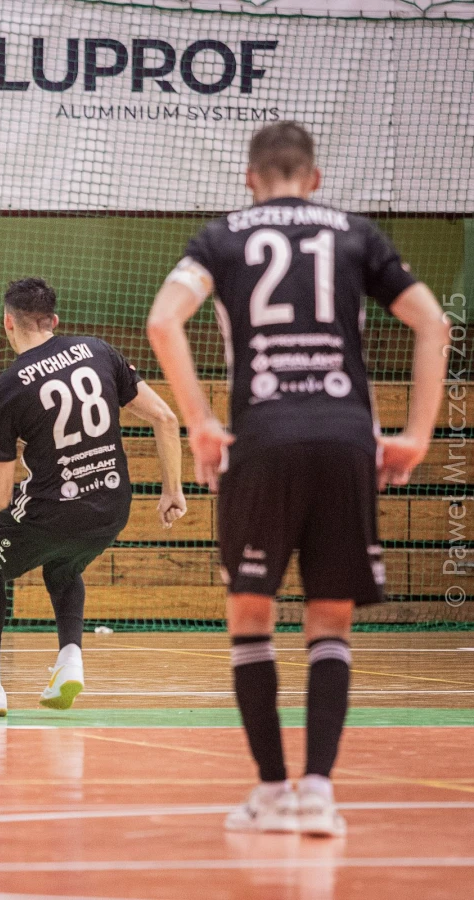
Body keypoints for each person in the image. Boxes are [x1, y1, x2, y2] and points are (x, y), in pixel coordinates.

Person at [146, 122, 449, 836]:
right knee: (330, 619)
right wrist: (416, 435)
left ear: (250, 179)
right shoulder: (357, 234)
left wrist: (200, 422)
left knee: (252, 615)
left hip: (264, 438)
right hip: (347, 438)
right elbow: (434, 324)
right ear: (314, 179)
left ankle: (271, 792)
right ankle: (317, 793)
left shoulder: (221, 237)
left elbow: (163, 322)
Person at [0, 277, 186, 715]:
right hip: (112, 506)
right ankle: (70, 659)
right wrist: (172, 491)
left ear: (8, 323)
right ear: (54, 320)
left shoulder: (8, 387)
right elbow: (165, 418)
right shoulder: (99, 351)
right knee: (63, 562)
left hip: (55, 508)